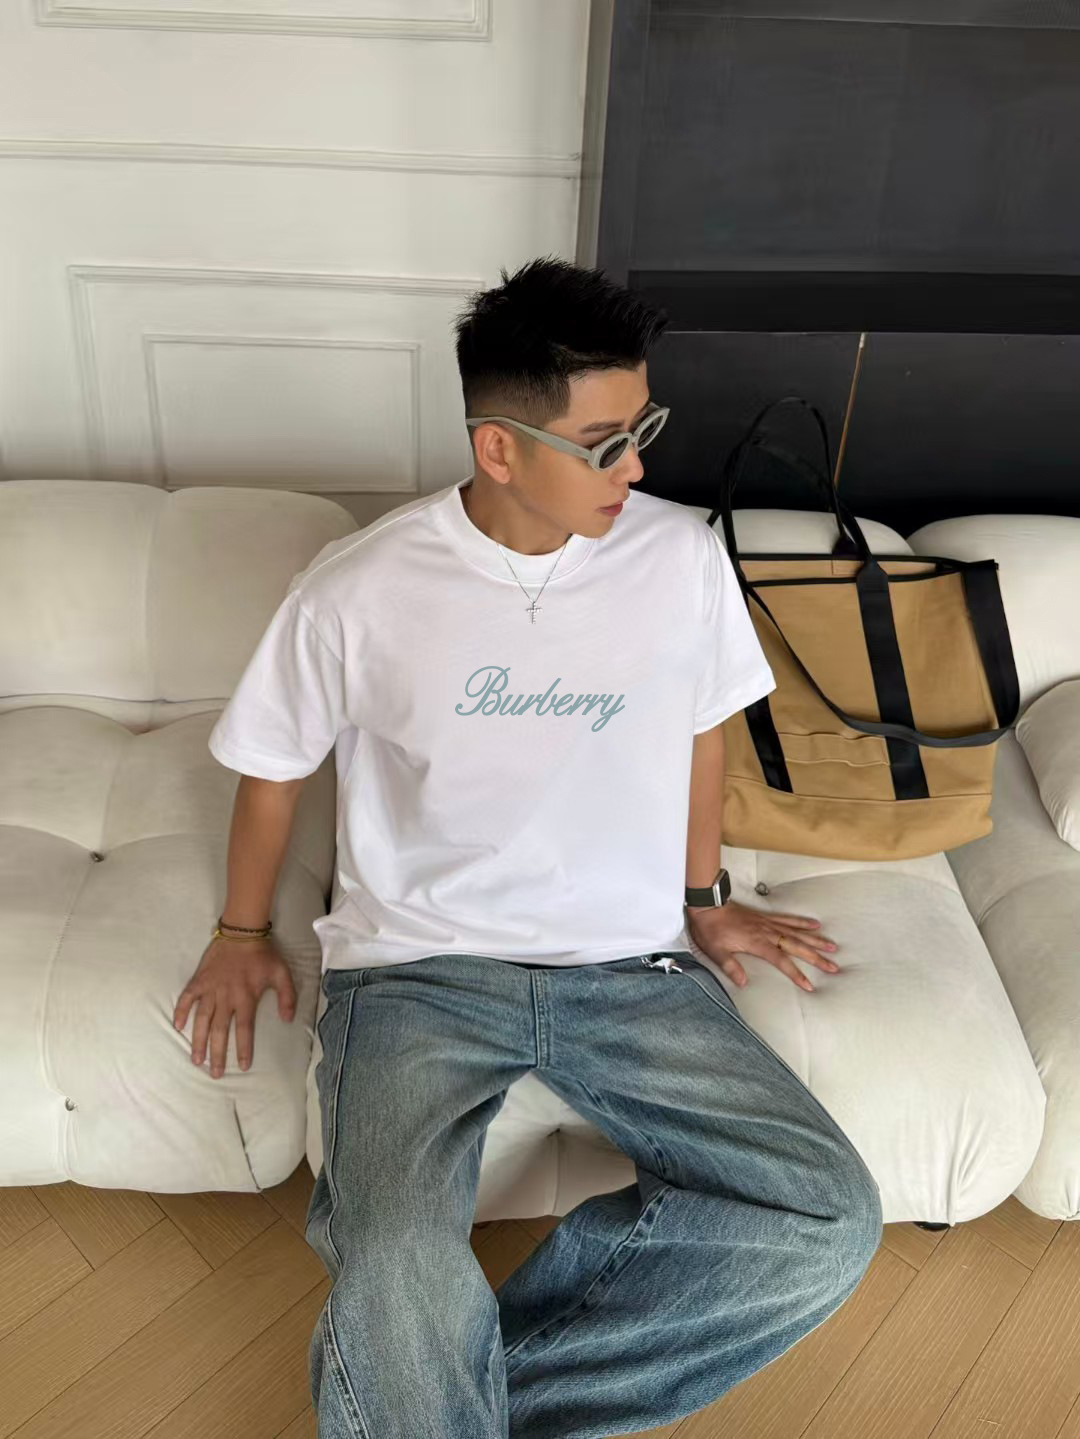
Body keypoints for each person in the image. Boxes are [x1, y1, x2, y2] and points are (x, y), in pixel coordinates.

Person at [173, 256, 882, 1439]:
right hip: (418, 971)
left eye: (643, 430)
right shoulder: (357, 589)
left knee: (826, 1214)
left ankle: (448, 1411)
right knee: (392, 1248)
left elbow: (702, 732)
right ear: (498, 447)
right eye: (604, 445)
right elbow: (273, 766)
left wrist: (705, 896)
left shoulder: (677, 556)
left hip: (629, 965)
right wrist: (242, 929)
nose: (638, 468)